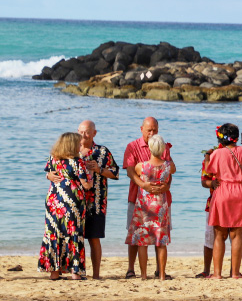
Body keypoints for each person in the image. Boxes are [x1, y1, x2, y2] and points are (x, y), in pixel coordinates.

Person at [47, 120, 119, 280]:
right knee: (68, 237)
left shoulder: (102, 152)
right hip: (71, 204)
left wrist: (99, 169)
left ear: (94, 133)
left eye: (86, 132)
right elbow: (51, 170)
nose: (83, 135)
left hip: (96, 202)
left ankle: (96, 274)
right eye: (80, 131)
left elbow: (116, 173)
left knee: (93, 238)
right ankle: (69, 271)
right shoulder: (68, 150)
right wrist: (48, 175)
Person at [123, 117, 173, 279]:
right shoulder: (132, 146)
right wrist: (143, 185)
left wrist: (167, 185)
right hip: (138, 196)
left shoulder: (162, 146)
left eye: (154, 130)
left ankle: (158, 270)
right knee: (136, 236)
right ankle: (131, 268)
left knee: (148, 236)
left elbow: (170, 168)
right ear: (141, 129)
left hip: (156, 198)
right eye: (149, 130)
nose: (152, 133)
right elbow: (129, 171)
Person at [38, 132, 93, 280]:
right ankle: (75, 273)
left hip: (53, 201)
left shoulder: (53, 159)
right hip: (72, 202)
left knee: (54, 233)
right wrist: (92, 172)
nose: (80, 146)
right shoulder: (78, 162)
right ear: (72, 145)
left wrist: (48, 176)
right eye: (78, 143)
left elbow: (48, 173)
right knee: (74, 233)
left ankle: (54, 273)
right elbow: (87, 185)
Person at [206, 123, 242, 279]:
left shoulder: (217, 153)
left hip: (223, 191)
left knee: (219, 235)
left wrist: (208, 156)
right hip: (241, 192)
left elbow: (210, 170)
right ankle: (235, 273)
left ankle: (217, 273)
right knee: (237, 235)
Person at [198, 142, 242, 278]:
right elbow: (205, 181)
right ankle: (210, 270)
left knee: (219, 236)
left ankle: (222, 272)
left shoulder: (213, 155)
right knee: (225, 236)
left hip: (220, 199)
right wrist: (212, 183)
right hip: (230, 198)